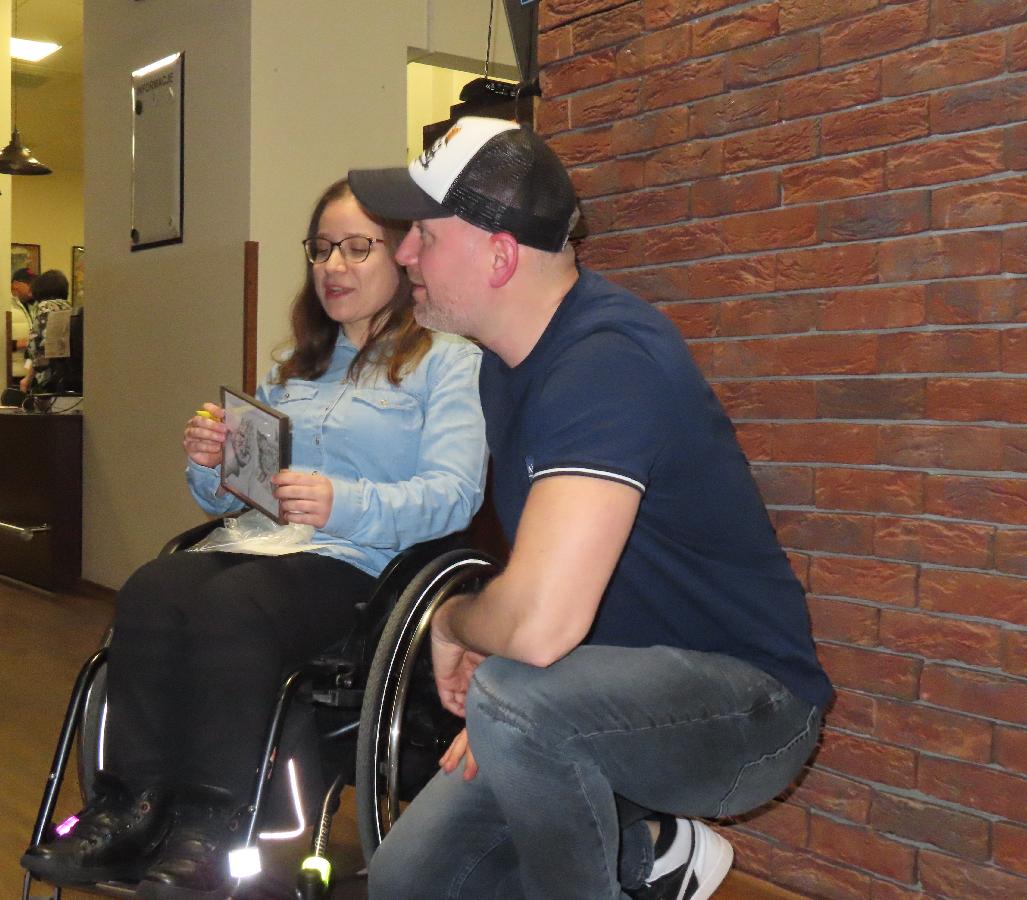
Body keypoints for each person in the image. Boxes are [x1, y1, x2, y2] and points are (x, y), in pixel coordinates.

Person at [349, 117, 833, 900]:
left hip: (749, 709)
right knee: (409, 881)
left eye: (424, 236)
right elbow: (553, 592)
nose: (403, 254)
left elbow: (540, 624)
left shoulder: (606, 365)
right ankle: (651, 856)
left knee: (517, 706)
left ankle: (635, 846)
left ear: (500, 255)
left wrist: (456, 627)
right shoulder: (505, 368)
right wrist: (521, 705)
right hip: (600, 696)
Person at [20, 178, 488, 899]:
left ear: (402, 254)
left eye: (356, 248)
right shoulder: (294, 366)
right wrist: (211, 466)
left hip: (364, 567)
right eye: (321, 249)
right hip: (261, 547)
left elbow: (455, 494)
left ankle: (211, 828)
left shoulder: (449, 361)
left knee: (235, 605)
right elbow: (242, 491)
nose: (333, 266)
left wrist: (342, 502)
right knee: (151, 587)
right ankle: (131, 806)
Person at [19, 268, 72, 393]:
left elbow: (36, 350)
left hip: (49, 380)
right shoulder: (72, 310)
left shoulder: (44, 310)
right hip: (72, 378)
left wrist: (28, 378)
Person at [10, 267, 35, 383]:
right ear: (16, 284)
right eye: (30, 284)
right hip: (13, 374)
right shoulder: (4, 305)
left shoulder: (33, 306)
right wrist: (16, 344)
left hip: (30, 374)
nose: (34, 288)